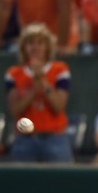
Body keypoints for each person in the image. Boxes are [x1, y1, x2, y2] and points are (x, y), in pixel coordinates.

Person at [5, 23, 74, 162]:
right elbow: (15, 110)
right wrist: (32, 93)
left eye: (40, 43)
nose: (35, 47)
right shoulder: (13, 74)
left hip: (55, 139)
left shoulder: (60, 70)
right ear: (24, 47)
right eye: (30, 43)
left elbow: (58, 106)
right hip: (24, 140)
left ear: (47, 46)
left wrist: (41, 78)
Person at [0, 0, 79, 54]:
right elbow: (3, 9)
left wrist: (62, 46)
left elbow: (64, 9)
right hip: (31, 43)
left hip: (61, 42)